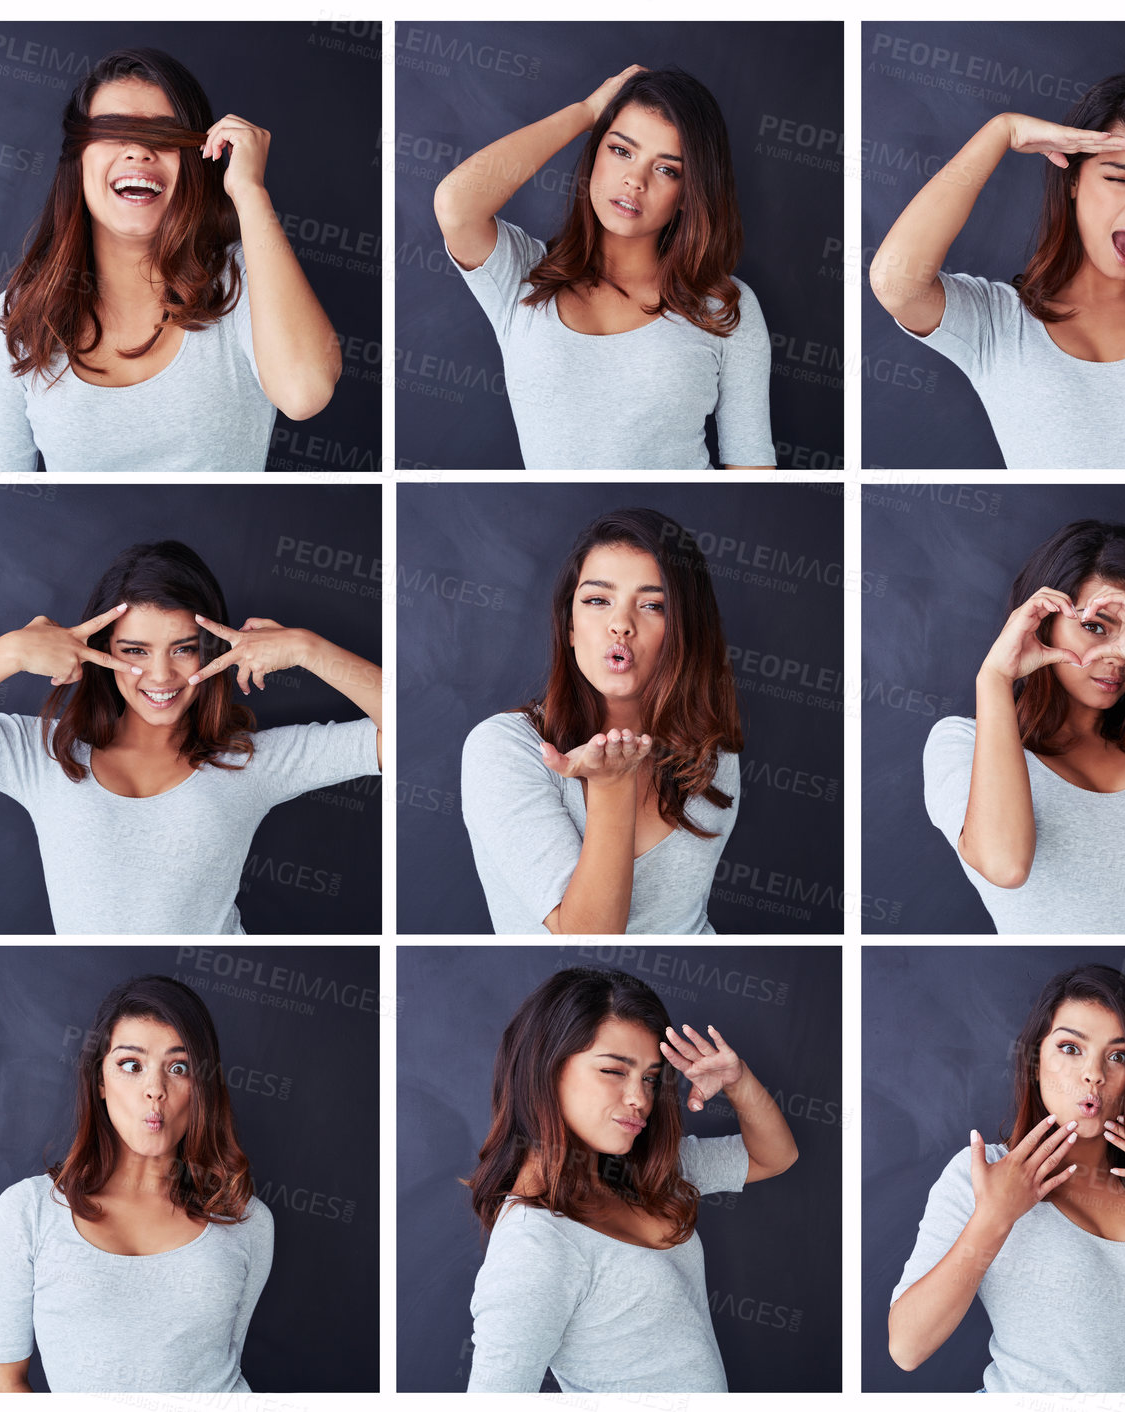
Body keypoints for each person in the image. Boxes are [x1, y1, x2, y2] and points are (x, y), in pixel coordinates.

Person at [0, 540, 382, 933]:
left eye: (183, 649)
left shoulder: (251, 762)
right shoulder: (39, 752)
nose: (162, 675)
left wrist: (308, 649)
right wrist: (8, 652)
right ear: (101, 650)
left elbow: (412, 734)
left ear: (212, 648)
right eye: (135, 651)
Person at [868, 73, 1125, 469]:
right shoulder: (999, 322)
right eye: (1120, 178)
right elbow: (895, 283)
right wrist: (1001, 132)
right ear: (1073, 181)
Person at [0, 47, 341, 473]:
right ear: (77, 159)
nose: (139, 152)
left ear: (197, 157)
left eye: (164, 137)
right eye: (114, 132)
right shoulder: (18, 315)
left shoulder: (244, 281)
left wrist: (250, 192)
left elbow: (305, 393)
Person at [888, 963, 1125, 1391]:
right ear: (1036, 1059)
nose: (1094, 1074)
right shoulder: (981, 1175)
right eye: (1071, 1048)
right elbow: (906, 1347)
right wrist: (994, 1218)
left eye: (1118, 1056)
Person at [465, 966, 798, 1392]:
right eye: (613, 1071)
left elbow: (775, 1156)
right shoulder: (533, 1243)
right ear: (544, 1069)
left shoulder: (647, 1172)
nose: (639, 1098)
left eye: (650, 1078)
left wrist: (738, 1081)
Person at [434, 65, 775, 470]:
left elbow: (750, 467)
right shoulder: (523, 275)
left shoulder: (724, 308)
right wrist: (586, 112)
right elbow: (455, 206)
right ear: (595, 153)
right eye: (621, 150)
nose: (635, 180)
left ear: (688, 194)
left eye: (666, 169)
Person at [923, 520, 1125, 933]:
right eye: (1094, 627)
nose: (1117, 657)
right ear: (1043, 622)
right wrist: (994, 678)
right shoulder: (960, 743)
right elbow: (1005, 866)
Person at [0, 974, 274, 1392]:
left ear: (201, 1086)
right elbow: (2, 1381)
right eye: (131, 1065)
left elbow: (222, 1365)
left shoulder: (246, 1220)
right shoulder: (26, 1213)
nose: (155, 1090)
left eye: (179, 1067)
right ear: (100, 1080)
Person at [461, 508, 741, 934]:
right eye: (597, 600)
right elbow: (586, 937)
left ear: (685, 629)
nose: (620, 625)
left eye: (652, 605)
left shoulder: (709, 751)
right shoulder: (503, 750)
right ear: (569, 626)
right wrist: (612, 783)